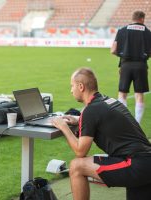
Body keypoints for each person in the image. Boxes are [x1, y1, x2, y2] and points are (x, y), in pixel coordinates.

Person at [51, 67, 151, 200]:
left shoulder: (90, 110)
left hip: (135, 165)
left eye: (72, 86)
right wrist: (79, 120)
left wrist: (64, 127)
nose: (71, 90)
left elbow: (80, 151)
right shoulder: (109, 101)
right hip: (145, 162)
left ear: (81, 86)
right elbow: (102, 118)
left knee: (76, 166)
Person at [111, 11, 151, 123]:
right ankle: (137, 123)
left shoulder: (122, 30)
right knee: (139, 95)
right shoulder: (148, 33)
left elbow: (113, 50)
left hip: (126, 65)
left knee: (122, 93)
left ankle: (124, 121)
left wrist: (123, 55)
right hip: (141, 65)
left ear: (132, 18)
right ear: (142, 19)